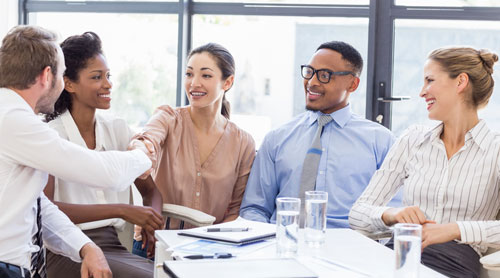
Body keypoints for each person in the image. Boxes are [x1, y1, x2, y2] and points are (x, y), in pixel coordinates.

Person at [0, 26, 152, 278]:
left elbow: (37, 206)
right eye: (61, 75)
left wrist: (85, 247)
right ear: (47, 76)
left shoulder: (12, 116)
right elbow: (102, 172)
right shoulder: (14, 121)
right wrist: (143, 152)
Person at [349, 46, 499, 278]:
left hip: (453, 265)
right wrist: (393, 214)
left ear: (460, 82)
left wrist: (454, 229)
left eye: (429, 80)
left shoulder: (496, 149)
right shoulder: (412, 139)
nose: (422, 92)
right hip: (394, 258)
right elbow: (357, 214)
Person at [239, 41, 400, 228]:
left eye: (325, 75)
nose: (312, 82)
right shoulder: (277, 138)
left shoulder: (381, 142)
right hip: (283, 245)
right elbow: (254, 209)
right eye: (309, 72)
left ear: (352, 84)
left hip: (351, 249)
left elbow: (393, 211)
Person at [41, 32, 163, 278]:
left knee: (170, 271)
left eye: (108, 76)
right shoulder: (50, 136)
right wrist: (121, 210)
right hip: (68, 250)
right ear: (70, 83)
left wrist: (153, 224)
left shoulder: (117, 129)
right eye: (97, 77)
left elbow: (151, 192)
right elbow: (46, 209)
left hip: (115, 245)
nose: (108, 84)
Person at [129, 43, 256, 256]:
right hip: (155, 244)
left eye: (206, 76)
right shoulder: (168, 118)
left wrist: (212, 248)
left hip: (209, 252)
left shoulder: (243, 142)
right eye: (189, 74)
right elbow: (146, 139)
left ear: (228, 82)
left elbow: (235, 210)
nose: (194, 83)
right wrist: (142, 150)